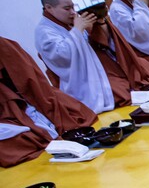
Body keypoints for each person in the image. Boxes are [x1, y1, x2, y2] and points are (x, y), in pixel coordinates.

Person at [1, 36, 97, 167]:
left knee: (70, 109)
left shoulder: (5, 45)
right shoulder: (44, 32)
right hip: (8, 109)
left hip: (26, 100)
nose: (71, 13)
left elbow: (31, 80)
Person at [34, 0, 118, 113]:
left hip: (93, 74)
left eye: (73, 7)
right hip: (78, 85)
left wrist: (97, 25)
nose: (73, 12)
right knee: (120, 91)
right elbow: (62, 55)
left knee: (124, 84)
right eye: (67, 9)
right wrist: (78, 30)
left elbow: (93, 48)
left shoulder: (68, 23)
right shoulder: (44, 31)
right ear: (49, 7)